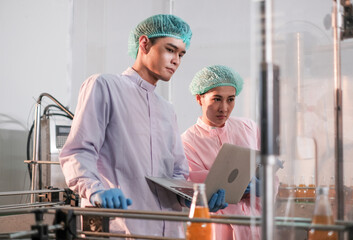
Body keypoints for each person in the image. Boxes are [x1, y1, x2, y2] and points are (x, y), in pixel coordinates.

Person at [59, 15, 226, 238]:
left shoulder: (166, 109)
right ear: (144, 44)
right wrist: (96, 191)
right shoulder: (105, 86)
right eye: (170, 49)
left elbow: (177, 172)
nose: (176, 60)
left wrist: (195, 200)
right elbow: (77, 153)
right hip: (121, 228)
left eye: (181, 54)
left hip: (169, 230)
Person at [181, 65, 264, 239]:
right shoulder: (187, 142)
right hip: (216, 229)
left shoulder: (248, 128)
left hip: (256, 225)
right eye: (217, 99)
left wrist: (264, 185)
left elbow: (270, 171)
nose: (224, 108)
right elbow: (194, 187)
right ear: (199, 98)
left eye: (231, 99)